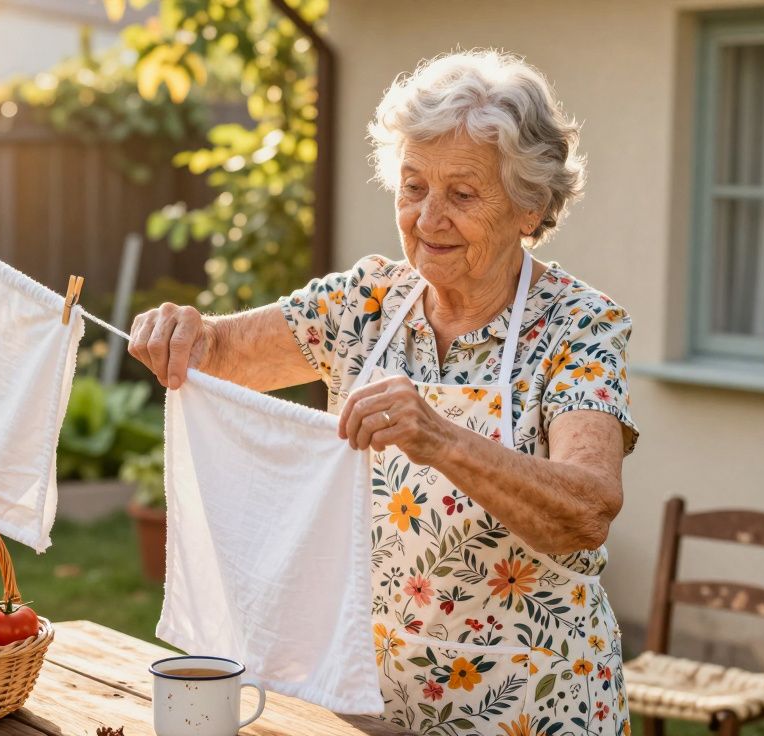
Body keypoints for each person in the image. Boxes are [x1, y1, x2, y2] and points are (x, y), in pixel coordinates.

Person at [128, 49, 637, 736]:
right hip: (369, 704)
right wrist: (181, 331)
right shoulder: (363, 302)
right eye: (412, 186)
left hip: (535, 701)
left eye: (462, 194)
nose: (428, 218)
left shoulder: (577, 325)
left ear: (530, 207)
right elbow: (217, 355)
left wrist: (442, 439)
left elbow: (588, 509)